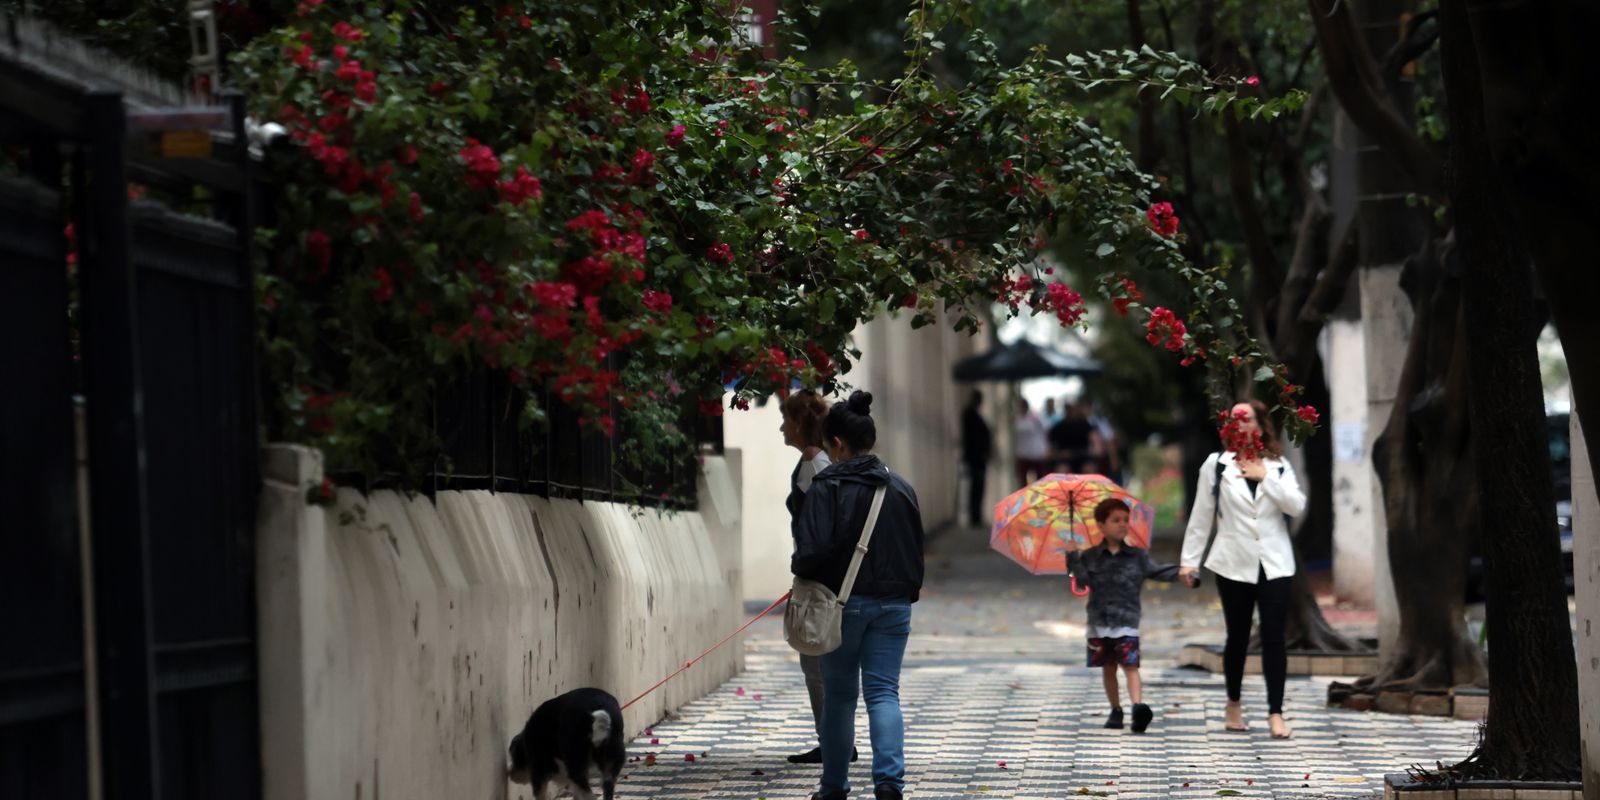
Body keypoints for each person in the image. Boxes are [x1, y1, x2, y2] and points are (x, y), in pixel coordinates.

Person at [792, 391, 925, 800]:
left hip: (842, 606)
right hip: (894, 606)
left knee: (840, 697)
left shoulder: (825, 487)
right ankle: (889, 782)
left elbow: (809, 553)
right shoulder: (900, 488)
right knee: (884, 693)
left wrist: (804, 575)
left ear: (836, 443)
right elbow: (916, 552)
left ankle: (833, 786)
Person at [1177, 399, 1306, 740]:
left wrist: (1266, 478)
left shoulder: (1277, 465)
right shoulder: (1216, 465)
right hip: (1233, 562)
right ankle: (1233, 702)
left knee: (1274, 637)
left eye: (1245, 418)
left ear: (1260, 426)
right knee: (1237, 636)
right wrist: (1189, 561)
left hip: (1275, 563)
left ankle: (1275, 712)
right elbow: (1201, 516)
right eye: (1233, 419)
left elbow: (1296, 505)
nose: (1239, 424)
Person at [778, 391, 858, 766]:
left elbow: (824, 523)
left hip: (820, 577)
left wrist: (807, 570)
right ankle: (834, 739)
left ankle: (835, 743)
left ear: (798, 425)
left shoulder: (814, 464)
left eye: (785, 420)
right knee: (820, 661)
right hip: (822, 573)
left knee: (816, 661)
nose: (781, 427)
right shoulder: (816, 460)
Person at [1066, 499, 1187, 733]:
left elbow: (1157, 571)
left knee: (1131, 665)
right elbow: (1082, 582)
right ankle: (1116, 709)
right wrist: (1072, 557)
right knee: (1108, 666)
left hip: (1127, 621)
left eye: (1125, 520)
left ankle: (1137, 707)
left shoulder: (1137, 556)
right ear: (1101, 525)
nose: (1122, 525)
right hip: (1099, 622)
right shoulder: (1090, 556)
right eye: (1115, 520)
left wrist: (1181, 574)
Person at [959, 390, 993, 528]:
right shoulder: (970, 414)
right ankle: (975, 516)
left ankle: (976, 515)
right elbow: (973, 438)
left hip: (978, 458)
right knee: (976, 487)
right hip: (976, 458)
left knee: (978, 487)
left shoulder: (973, 414)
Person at [1048, 402, 1103, 474]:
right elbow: (1051, 446)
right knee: (1062, 471)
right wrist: (1057, 454)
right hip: (1065, 459)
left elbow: (1095, 439)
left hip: (1083, 457)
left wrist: (1096, 449)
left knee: (1089, 470)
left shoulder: (1084, 424)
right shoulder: (1058, 427)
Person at [1014, 398, 1050, 487]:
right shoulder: (1017, 419)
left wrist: (1045, 448)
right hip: (1022, 454)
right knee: (1022, 481)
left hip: (1036, 454)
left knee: (1039, 480)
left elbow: (1045, 432)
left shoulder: (1034, 418)